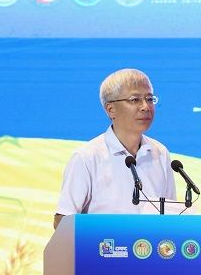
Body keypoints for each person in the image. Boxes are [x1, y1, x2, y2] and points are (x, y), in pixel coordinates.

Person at [53, 68, 176, 228]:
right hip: (102, 244)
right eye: (135, 100)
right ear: (111, 109)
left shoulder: (160, 153)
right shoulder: (87, 157)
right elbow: (62, 220)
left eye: (149, 99)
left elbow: (171, 217)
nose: (146, 107)